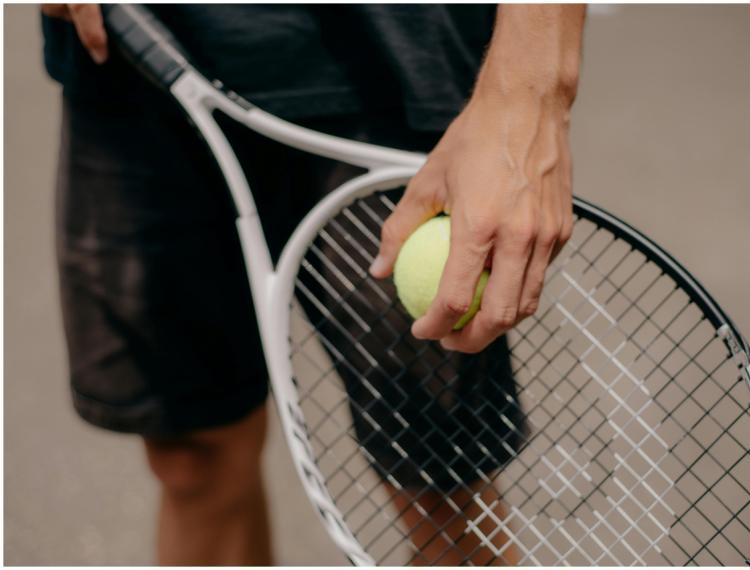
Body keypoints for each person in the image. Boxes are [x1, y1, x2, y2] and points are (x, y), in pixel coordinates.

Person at [41, 4, 585, 565]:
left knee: (439, 487)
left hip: (393, 66)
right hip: (135, 59)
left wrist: (534, 92)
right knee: (191, 455)